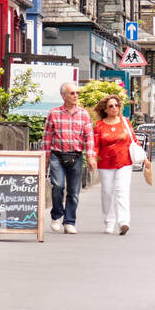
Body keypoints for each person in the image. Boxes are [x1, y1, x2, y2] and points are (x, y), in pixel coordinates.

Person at [42, 82, 98, 234]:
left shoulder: (84, 114)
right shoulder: (54, 113)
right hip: (57, 155)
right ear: (63, 96)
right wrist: (45, 158)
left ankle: (69, 222)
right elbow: (47, 137)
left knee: (74, 191)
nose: (75, 96)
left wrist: (91, 156)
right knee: (58, 186)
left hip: (76, 156)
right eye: (72, 93)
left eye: (77, 93)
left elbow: (89, 137)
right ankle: (56, 216)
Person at [92, 94, 149, 235]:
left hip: (124, 162)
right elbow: (95, 145)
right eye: (111, 106)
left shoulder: (125, 122)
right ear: (105, 109)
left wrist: (144, 158)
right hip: (105, 163)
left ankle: (124, 222)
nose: (114, 108)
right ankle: (109, 222)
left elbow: (134, 140)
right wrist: (92, 157)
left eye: (116, 105)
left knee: (122, 191)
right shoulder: (99, 125)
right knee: (107, 193)